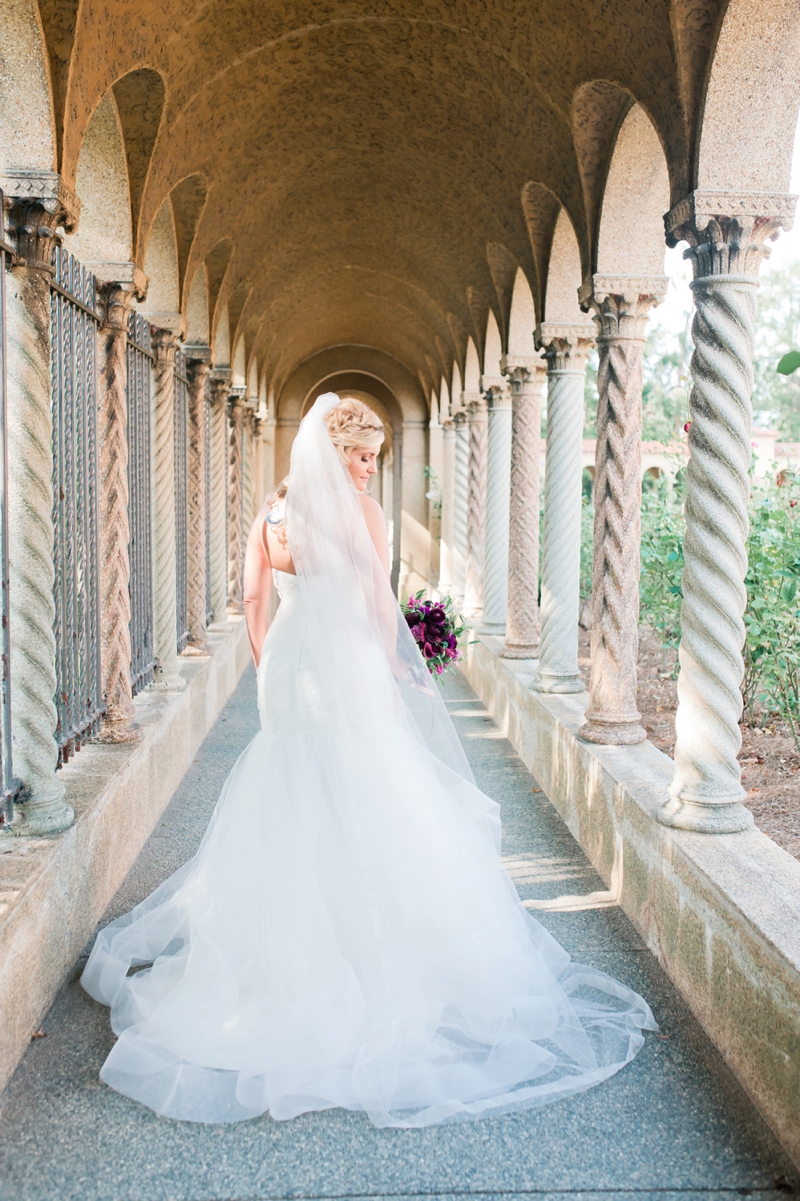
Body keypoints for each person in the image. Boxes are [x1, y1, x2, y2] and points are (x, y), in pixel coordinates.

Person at [82, 392, 656, 1128]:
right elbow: (379, 603)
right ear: (333, 448)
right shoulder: (362, 518)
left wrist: (266, 663)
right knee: (363, 786)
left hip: (292, 662)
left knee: (295, 787)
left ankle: (292, 941)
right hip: (343, 662)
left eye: (374, 457)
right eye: (359, 455)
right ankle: (359, 948)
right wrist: (399, 662)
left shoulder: (273, 518)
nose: (367, 468)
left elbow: (255, 597)